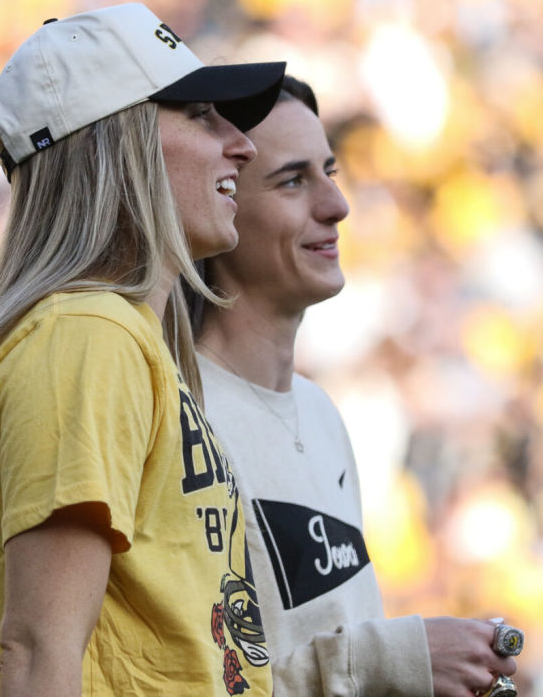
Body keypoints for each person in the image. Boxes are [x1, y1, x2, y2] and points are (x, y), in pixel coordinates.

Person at [0, 3, 287, 696]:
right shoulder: (84, 337)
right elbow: (38, 652)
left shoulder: (114, 337)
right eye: (200, 115)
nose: (241, 144)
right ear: (115, 140)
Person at [191, 75, 522, 697]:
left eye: (330, 171)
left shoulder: (321, 413)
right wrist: (395, 661)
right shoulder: (176, 411)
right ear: (218, 201)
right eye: (293, 180)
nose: (337, 204)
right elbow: (187, 680)